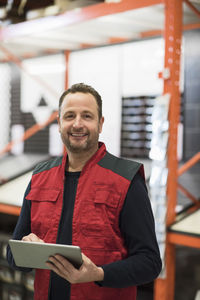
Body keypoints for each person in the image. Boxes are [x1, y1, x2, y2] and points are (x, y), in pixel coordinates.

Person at [7, 83, 162, 300]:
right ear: (59, 122)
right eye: (70, 116)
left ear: (100, 124)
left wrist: (98, 274)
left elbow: (150, 262)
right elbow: (13, 257)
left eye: (87, 116)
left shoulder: (126, 179)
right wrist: (26, 250)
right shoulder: (40, 177)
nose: (77, 124)